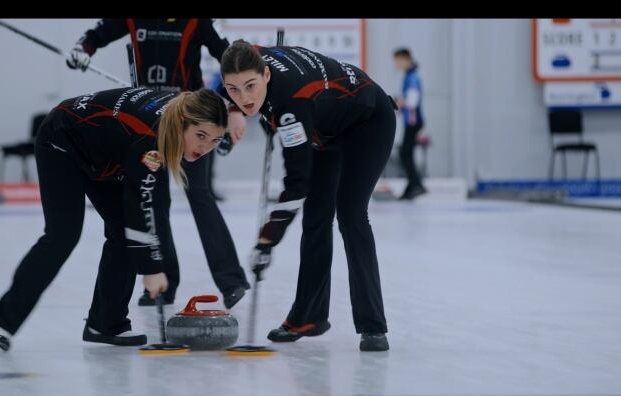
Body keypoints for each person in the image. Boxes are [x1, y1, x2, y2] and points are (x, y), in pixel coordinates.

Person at [0, 88, 228, 351]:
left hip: (104, 152)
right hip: (61, 140)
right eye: (201, 136)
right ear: (181, 122)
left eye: (215, 140)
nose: (205, 148)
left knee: (122, 232)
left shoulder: (179, 113)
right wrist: (151, 268)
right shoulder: (150, 140)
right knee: (62, 235)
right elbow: (140, 205)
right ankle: (1, 319)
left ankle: (106, 323)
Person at [220, 40, 396, 351]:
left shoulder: (292, 103)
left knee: (351, 214)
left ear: (266, 75)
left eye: (251, 86)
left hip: (368, 119)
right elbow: (238, 59)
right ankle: (308, 317)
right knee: (316, 217)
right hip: (326, 126)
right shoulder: (249, 57)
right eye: (233, 90)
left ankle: (373, 325)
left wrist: (267, 240)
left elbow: (297, 183)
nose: (245, 98)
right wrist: (231, 109)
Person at [66, 19, 249, 309]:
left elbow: (230, 56)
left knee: (199, 194)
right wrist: (83, 50)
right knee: (153, 197)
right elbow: (97, 34)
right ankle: (164, 284)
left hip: (192, 122)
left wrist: (235, 107)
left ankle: (232, 281)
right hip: (151, 120)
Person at [393, 47, 427, 200]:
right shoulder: (409, 75)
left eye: (398, 61)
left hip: (413, 121)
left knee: (405, 153)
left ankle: (416, 184)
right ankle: (413, 184)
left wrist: (398, 103)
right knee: (406, 153)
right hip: (411, 121)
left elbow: (412, 101)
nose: (397, 64)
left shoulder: (412, 77)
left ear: (406, 59)